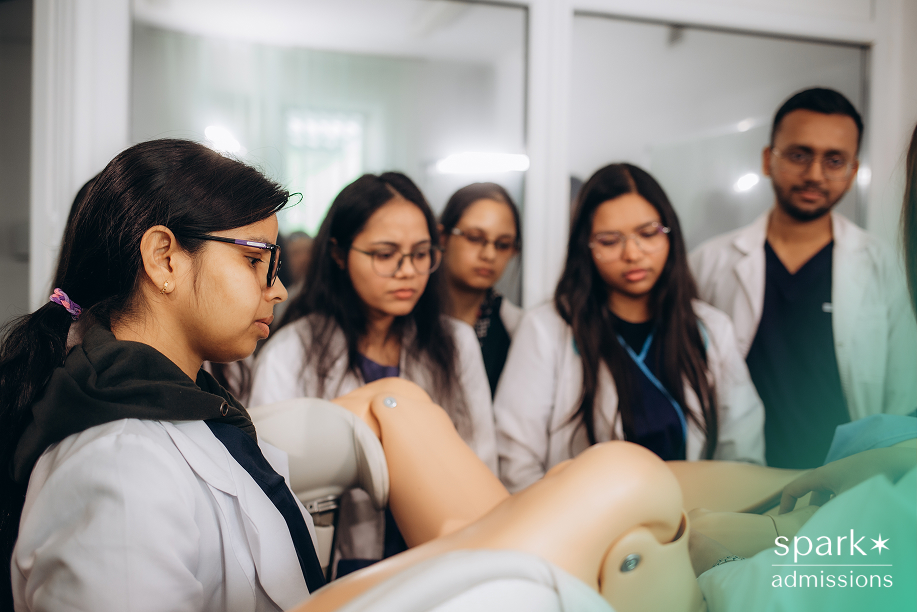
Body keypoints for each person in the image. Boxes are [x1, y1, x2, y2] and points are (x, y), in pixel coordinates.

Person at [0, 139, 329, 610]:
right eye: (256, 260)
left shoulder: (184, 402)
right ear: (164, 258)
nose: (277, 289)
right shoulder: (118, 464)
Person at [248, 172, 494, 573]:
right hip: (338, 566)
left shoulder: (456, 343)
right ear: (339, 254)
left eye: (420, 254)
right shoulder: (292, 351)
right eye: (385, 254)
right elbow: (272, 479)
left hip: (442, 559)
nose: (407, 271)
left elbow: (480, 460)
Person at [495, 163, 765, 493]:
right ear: (586, 248)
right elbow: (516, 464)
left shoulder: (711, 329)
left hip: (698, 525)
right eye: (610, 241)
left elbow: (742, 453)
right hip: (585, 532)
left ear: (670, 234)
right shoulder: (546, 331)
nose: (633, 253)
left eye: (648, 234)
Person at [690, 88, 917, 469]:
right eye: (799, 155)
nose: (814, 174)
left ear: (853, 170)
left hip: (846, 483)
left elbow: (902, 394)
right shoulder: (708, 263)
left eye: (834, 160)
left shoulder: (885, 268)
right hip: (736, 483)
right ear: (768, 159)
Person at [439, 182, 524, 396]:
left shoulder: (515, 330)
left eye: (503, 244)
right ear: (442, 237)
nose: (489, 255)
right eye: (475, 238)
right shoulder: (410, 316)